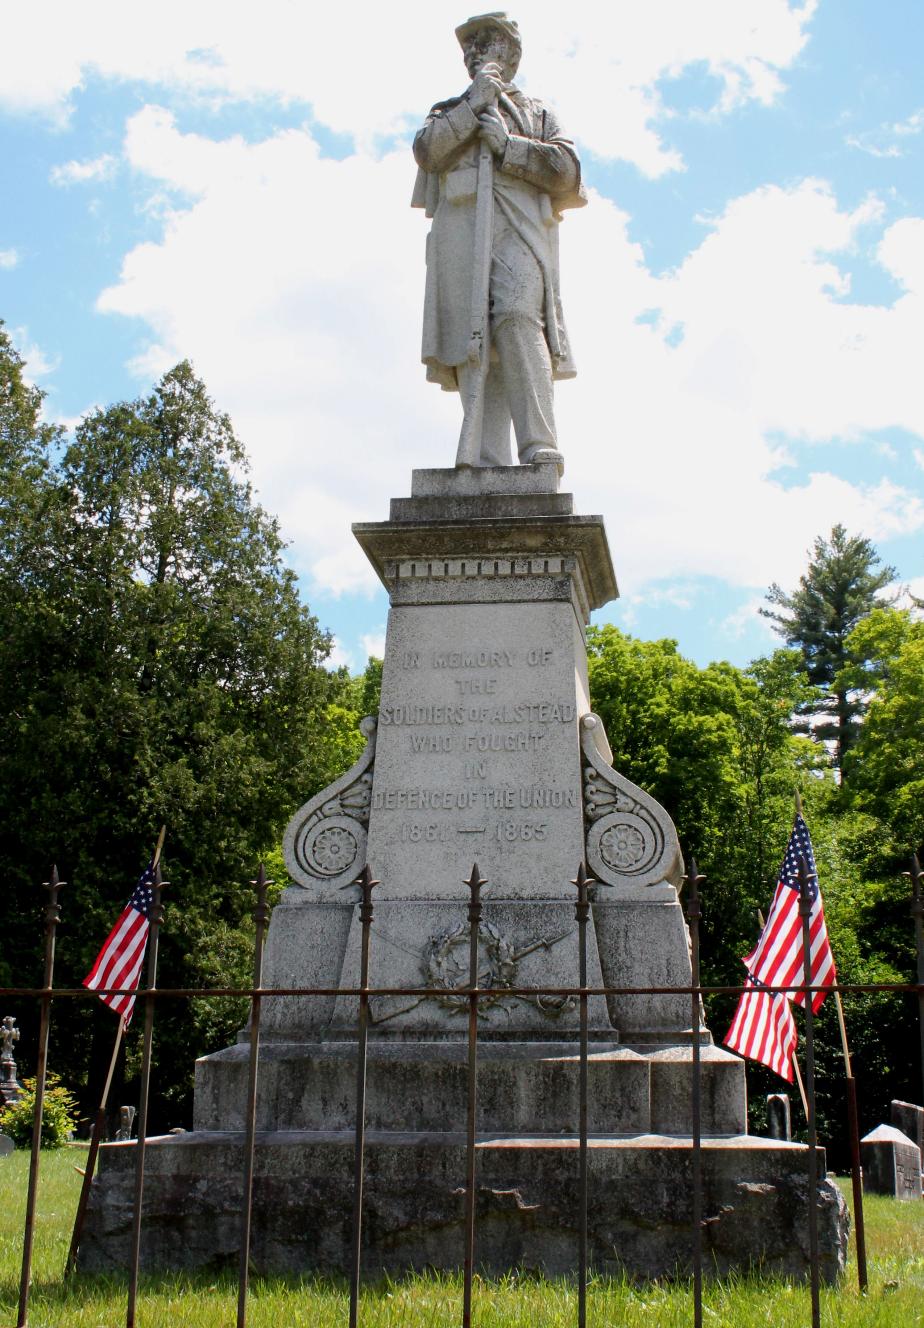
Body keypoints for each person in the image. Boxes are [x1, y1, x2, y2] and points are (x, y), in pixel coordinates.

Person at [412, 12, 586, 471]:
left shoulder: (537, 113)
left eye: (486, 43)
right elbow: (429, 151)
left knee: (516, 315)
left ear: (510, 54)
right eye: (469, 46)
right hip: (463, 231)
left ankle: (538, 445)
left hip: (518, 226)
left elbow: (567, 169)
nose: (475, 53)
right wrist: (473, 106)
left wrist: (510, 147)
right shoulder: (450, 110)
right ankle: (485, 455)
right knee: (474, 336)